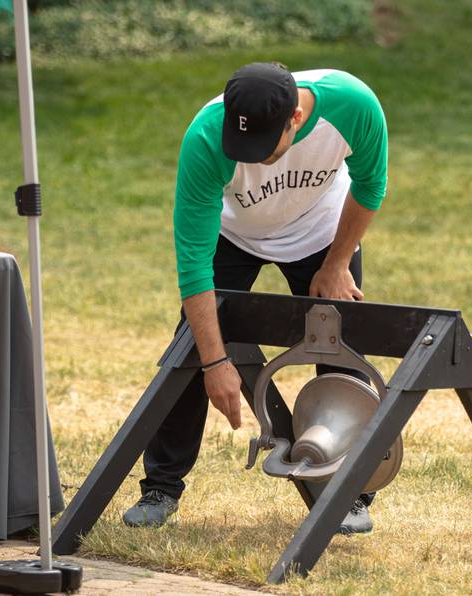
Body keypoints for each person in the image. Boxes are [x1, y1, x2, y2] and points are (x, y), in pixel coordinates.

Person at [123, 62, 388, 534]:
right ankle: (161, 487)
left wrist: (337, 263)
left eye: (263, 148)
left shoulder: (353, 105)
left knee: (341, 352)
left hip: (319, 231)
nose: (251, 157)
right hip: (235, 235)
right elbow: (193, 266)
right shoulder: (205, 137)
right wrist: (213, 364)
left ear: (296, 121)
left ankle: (350, 491)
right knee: (189, 353)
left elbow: (371, 185)